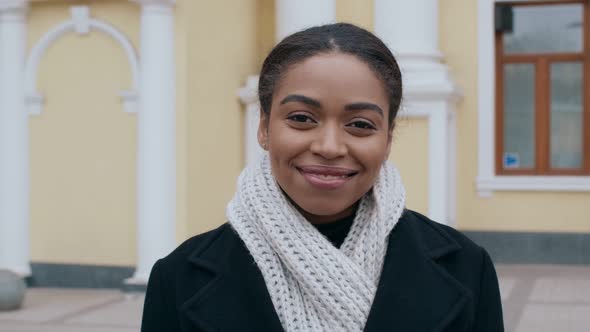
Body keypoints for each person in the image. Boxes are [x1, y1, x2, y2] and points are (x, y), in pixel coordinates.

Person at [141, 23, 504, 332]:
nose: (330, 146)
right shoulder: (177, 279)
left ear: (388, 140)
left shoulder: (468, 269)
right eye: (301, 118)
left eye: (360, 125)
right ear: (264, 128)